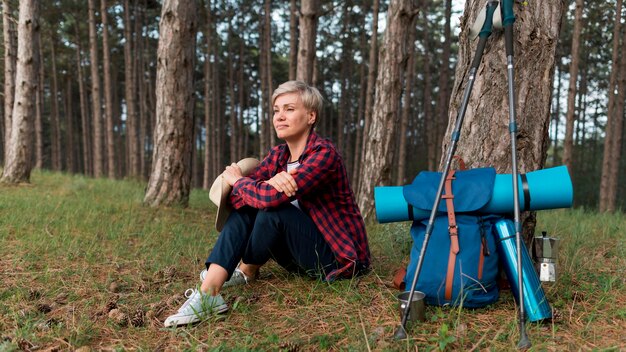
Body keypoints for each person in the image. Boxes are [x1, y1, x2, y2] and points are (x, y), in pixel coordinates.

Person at [164, 80, 370, 327]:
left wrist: (245, 183)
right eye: (276, 110)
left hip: (337, 261)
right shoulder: (278, 156)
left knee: (273, 209)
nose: (280, 117)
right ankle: (209, 293)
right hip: (298, 256)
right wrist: (267, 184)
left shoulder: (324, 154)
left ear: (311, 116)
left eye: (289, 109)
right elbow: (237, 201)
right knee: (252, 206)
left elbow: (269, 200)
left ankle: (243, 271)